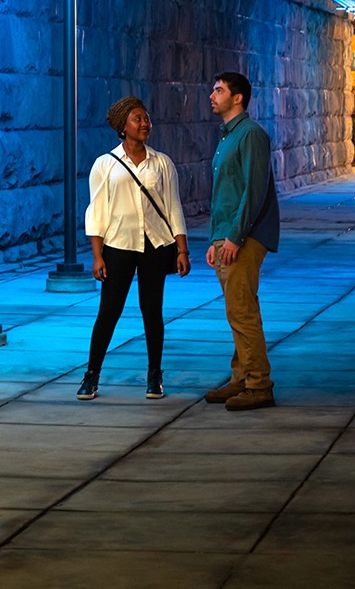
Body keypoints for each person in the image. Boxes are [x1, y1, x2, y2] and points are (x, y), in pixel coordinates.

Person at [76, 96, 191, 401]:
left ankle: (155, 376)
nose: (144, 124)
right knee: (108, 312)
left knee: (152, 311)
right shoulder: (105, 164)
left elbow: (173, 207)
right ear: (123, 125)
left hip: (155, 246)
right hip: (118, 246)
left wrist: (182, 250)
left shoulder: (162, 162)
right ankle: (91, 376)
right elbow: (97, 211)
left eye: (147, 118)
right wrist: (97, 255)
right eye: (138, 119)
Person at [204, 72, 280, 411]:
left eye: (219, 91)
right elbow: (224, 195)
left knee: (243, 310)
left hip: (244, 237)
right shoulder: (227, 137)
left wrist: (234, 237)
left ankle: (258, 384)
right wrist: (215, 238)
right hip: (227, 235)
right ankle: (240, 377)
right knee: (237, 309)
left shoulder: (250, 136)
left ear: (238, 98)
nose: (212, 95)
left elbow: (255, 190)